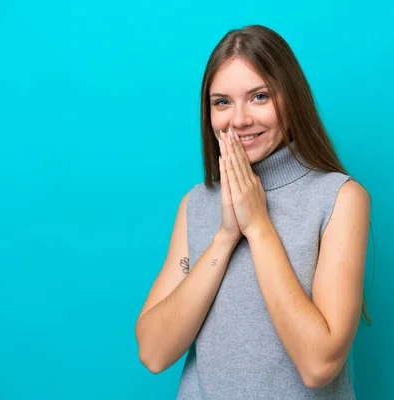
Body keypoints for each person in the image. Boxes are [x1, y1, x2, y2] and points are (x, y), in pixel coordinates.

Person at [135, 24, 372, 399]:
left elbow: (318, 366)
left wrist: (258, 226)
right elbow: (152, 352)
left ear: (290, 98)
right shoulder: (196, 204)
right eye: (222, 102)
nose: (239, 120)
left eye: (259, 97)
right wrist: (226, 236)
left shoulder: (340, 198)